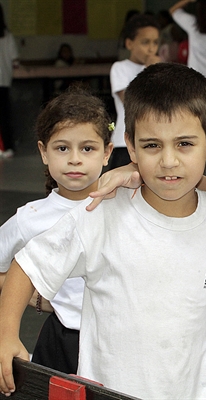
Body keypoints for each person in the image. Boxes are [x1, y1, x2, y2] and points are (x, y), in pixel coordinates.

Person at [0, 63, 206, 399]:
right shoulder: (102, 215)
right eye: (152, 146)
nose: (168, 161)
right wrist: (6, 334)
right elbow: (27, 266)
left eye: (185, 144)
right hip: (106, 392)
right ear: (130, 146)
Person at [0, 88, 113, 374]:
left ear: (107, 153)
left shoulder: (123, 204)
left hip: (117, 339)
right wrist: (35, 297)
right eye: (62, 148)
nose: (75, 159)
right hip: (64, 339)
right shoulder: (30, 218)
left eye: (87, 148)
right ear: (43, 153)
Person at [109, 13, 160, 170]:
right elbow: (130, 100)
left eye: (155, 43)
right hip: (124, 141)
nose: (151, 48)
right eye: (145, 42)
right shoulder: (119, 68)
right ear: (130, 44)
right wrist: (148, 70)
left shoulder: (160, 70)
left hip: (153, 139)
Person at [0, 3, 18, 158]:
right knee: (4, 115)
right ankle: (8, 147)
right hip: (4, 80)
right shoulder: (7, 35)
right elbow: (14, 59)